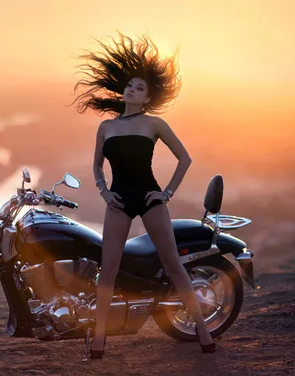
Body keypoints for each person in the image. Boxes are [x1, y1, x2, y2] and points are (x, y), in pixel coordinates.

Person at [72, 32, 215, 359]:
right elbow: (96, 166)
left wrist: (166, 193)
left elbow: (185, 159)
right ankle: (99, 338)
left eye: (139, 88)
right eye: (130, 85)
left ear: (147, 98)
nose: (131, 90)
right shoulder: (106, 127)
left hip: (149, 200)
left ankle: (203, 331)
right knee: (108, 269)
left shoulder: (155, 124)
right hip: (119, 201)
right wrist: (104, 192)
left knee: (174, 266)